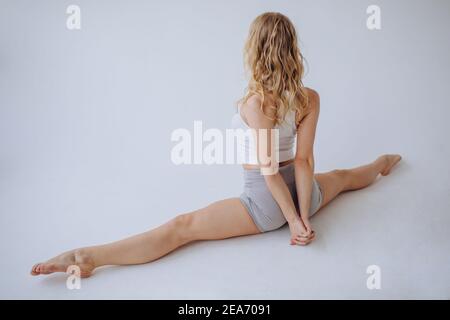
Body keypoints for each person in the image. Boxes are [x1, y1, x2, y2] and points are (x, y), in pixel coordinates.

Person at [30, 12, 401, 278]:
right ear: (292, 51)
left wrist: (291, 223)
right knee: (346, 176)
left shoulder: (256, 104)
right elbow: (303, 162)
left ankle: (88, 256)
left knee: (181, 227)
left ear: (255, 52)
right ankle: (385, 162)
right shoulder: (309, 97)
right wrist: (306, 216)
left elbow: (270, 174)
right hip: (308, 195)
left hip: (266, 205)